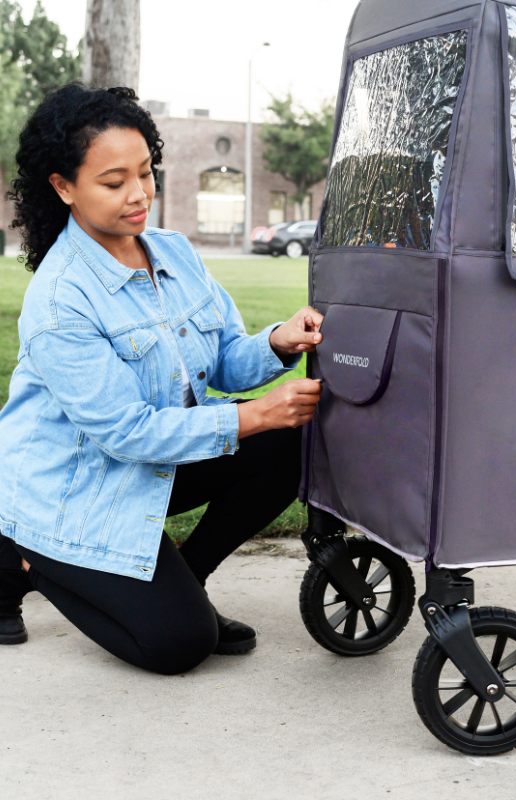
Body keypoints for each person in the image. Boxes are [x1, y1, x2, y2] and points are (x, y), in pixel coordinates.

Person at [0, 83, 324, 674]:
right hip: (74, 488)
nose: (138, 194)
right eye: (113, 181)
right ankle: (23, 554)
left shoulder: (173, 252)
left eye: (146, 172)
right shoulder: (60, 299)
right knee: (177, 645)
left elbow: (223, 357)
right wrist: (257, 414)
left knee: (297, 442)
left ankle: (186, 579)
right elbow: (125, 432)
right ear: (63, 186)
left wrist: (279, 340)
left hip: (151, 464)